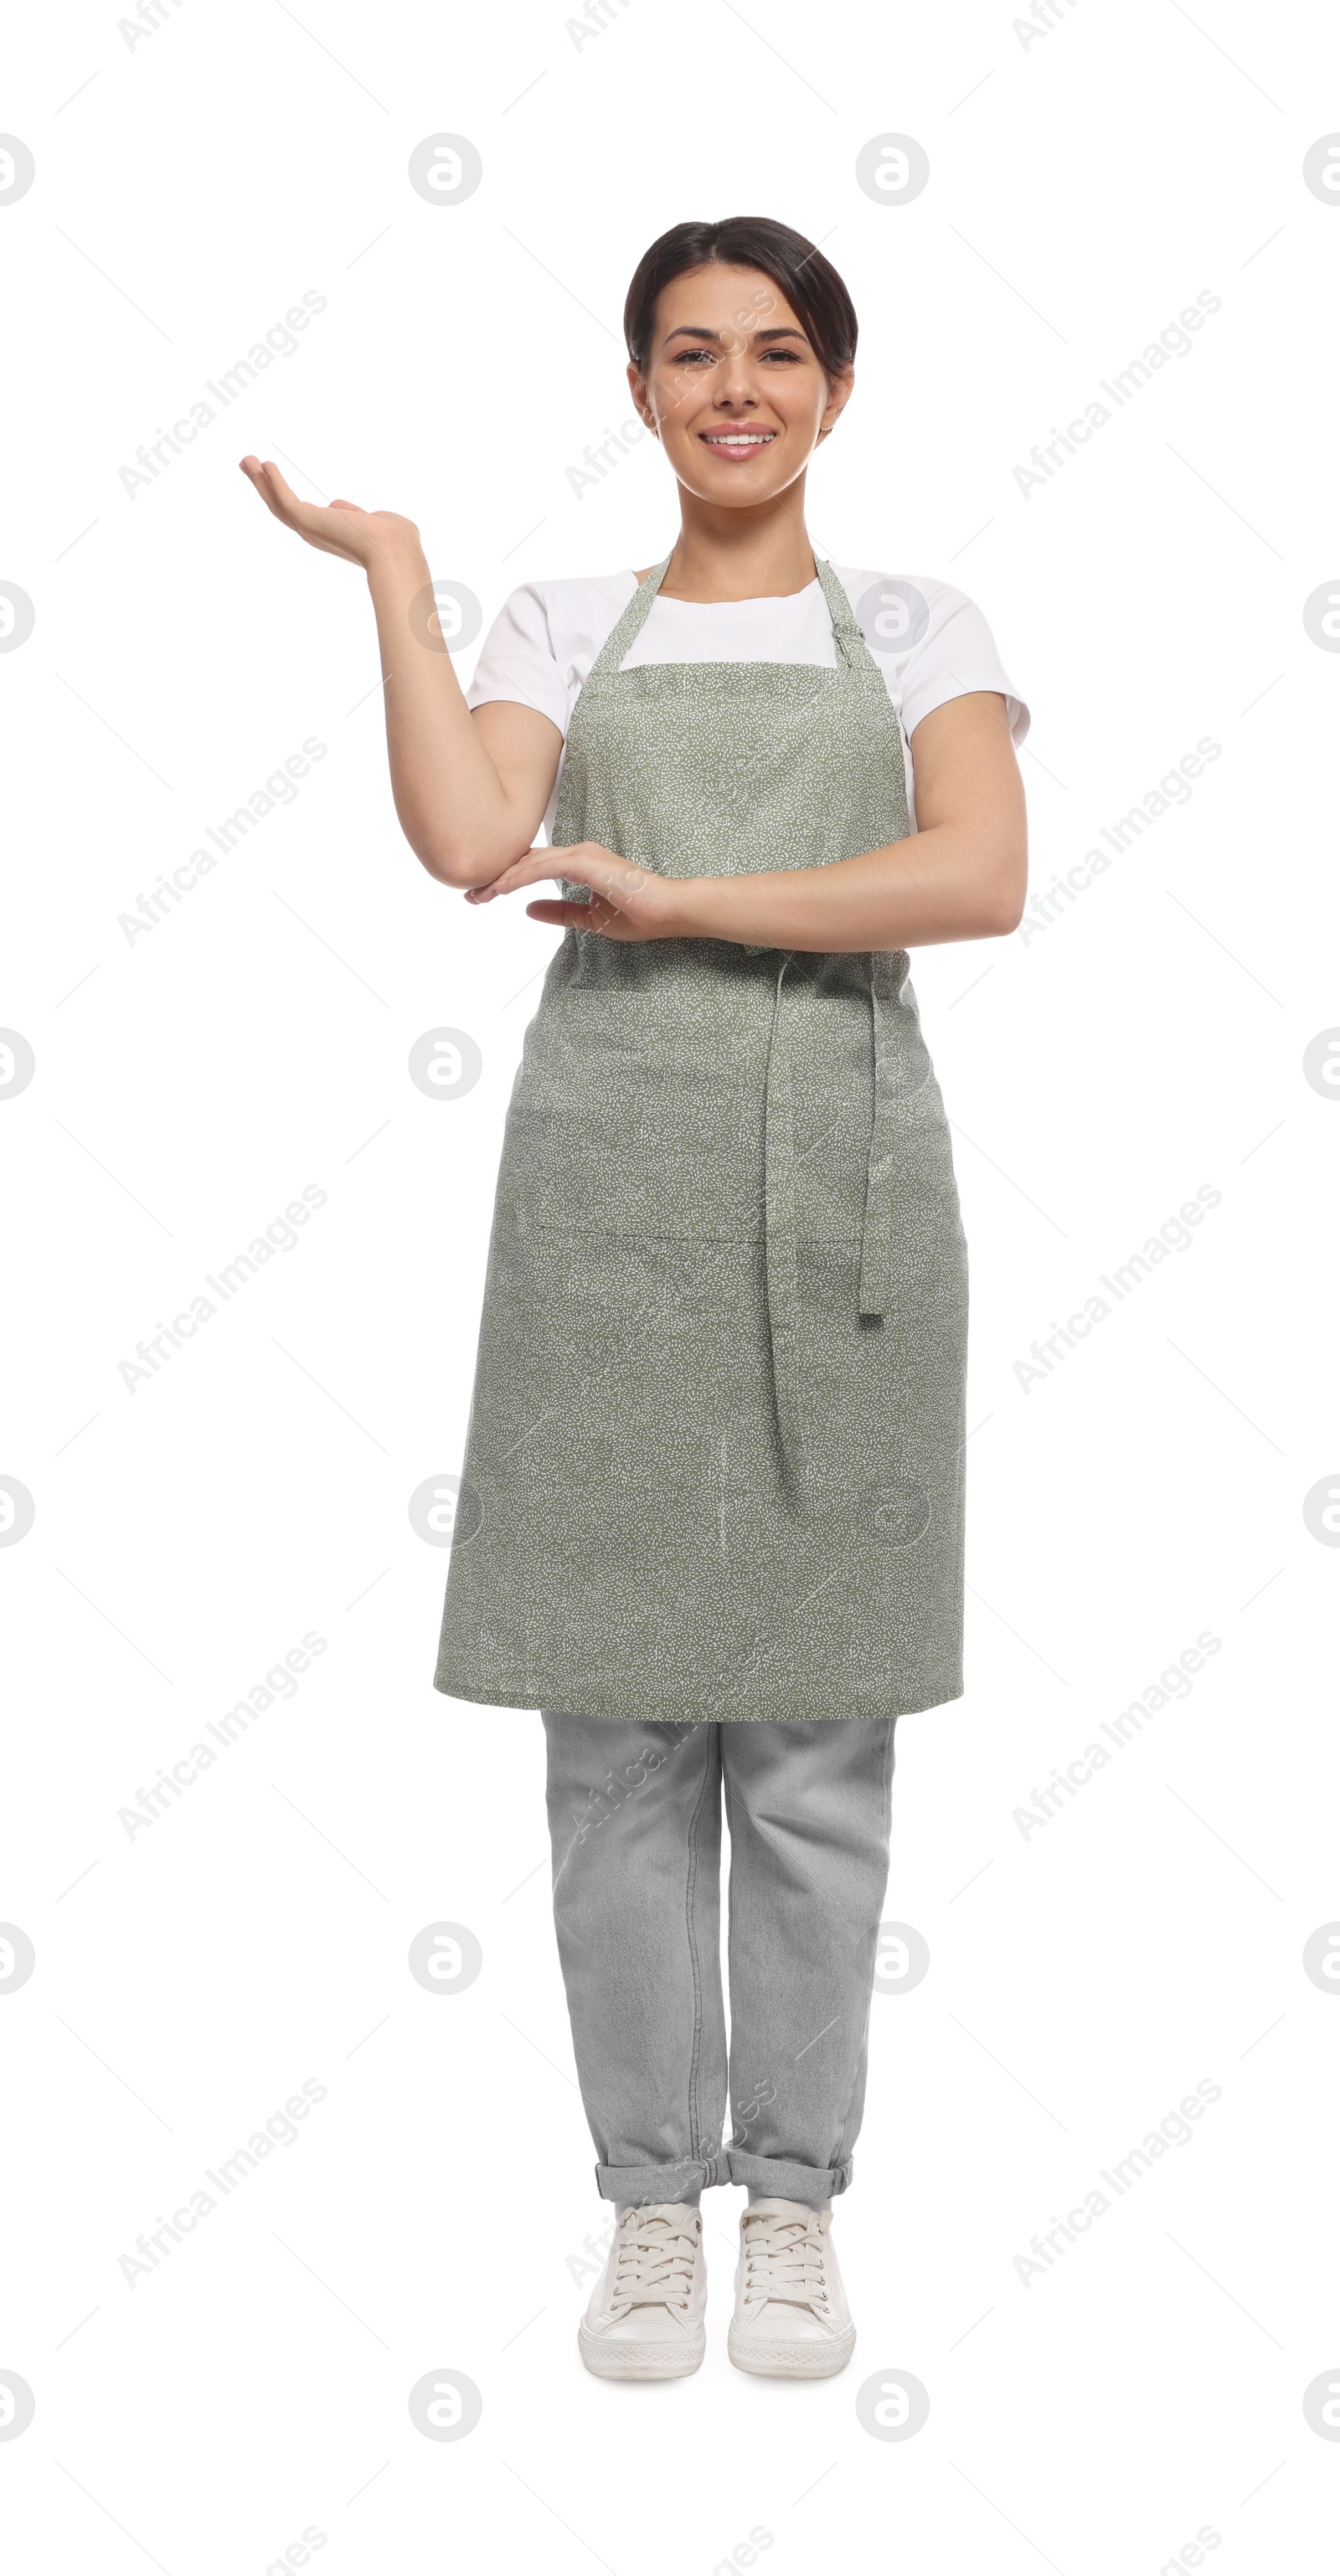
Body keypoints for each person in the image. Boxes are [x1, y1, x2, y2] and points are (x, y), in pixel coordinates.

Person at [240, 213, 1028, 2384]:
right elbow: (473, 835)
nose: (737, 387)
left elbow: (978, 869)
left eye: (778, 353)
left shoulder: (923, 620)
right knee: (613, 1744)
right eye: (692, 354)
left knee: (811, 1743)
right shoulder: (561, 618)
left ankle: (794, 2199)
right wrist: (400, 585)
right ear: (640, 390)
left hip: (843, 1194)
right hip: (610, 1203)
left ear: (837, 393)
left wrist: (690, 892)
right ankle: (643, 2209)